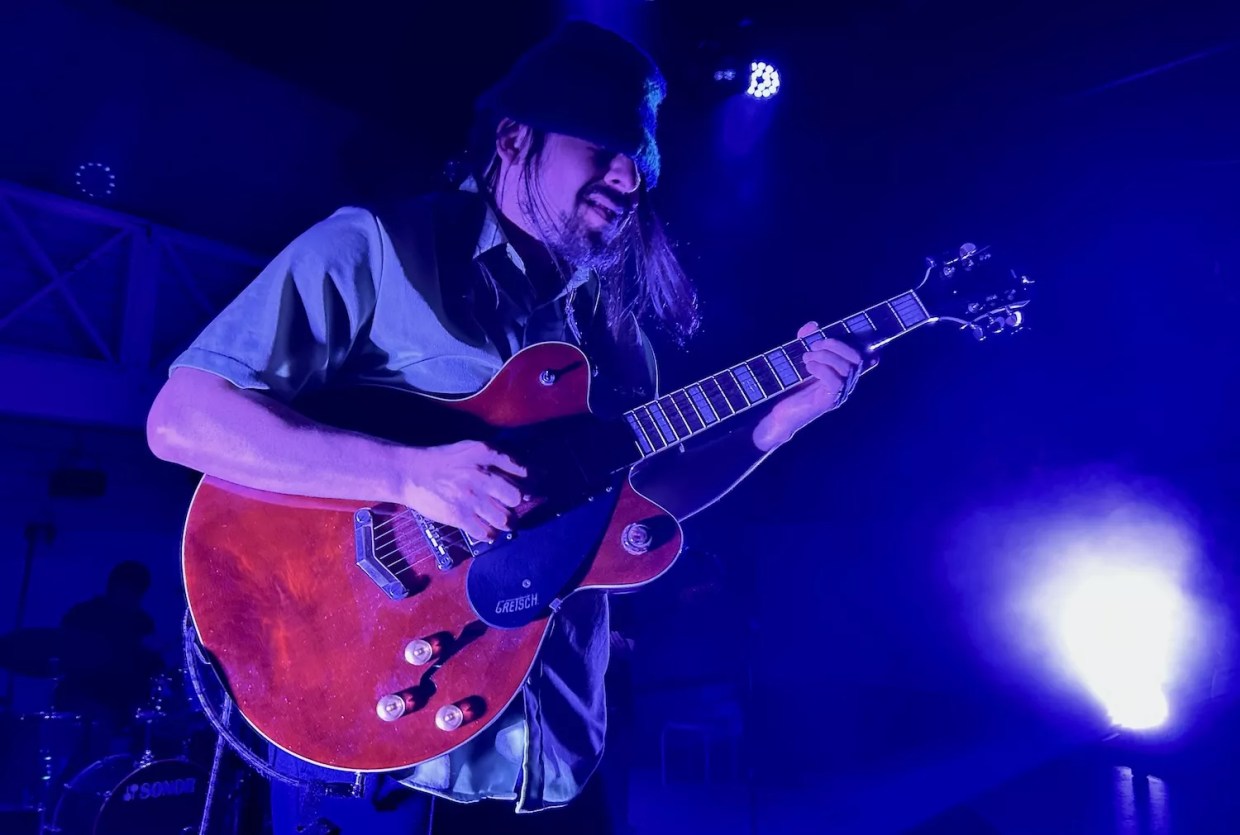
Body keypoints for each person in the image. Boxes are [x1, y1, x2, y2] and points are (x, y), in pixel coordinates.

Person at [145, 19, 866, 835]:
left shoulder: (616, 336)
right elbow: (184, 417)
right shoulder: (381, 248)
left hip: (553, 747)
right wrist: (408, 475)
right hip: (381, 747)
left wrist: (778, 423)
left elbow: (641, 506)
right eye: (604, 148)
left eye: (642, 161)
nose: (629, 177)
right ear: (516, 138)